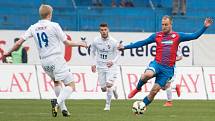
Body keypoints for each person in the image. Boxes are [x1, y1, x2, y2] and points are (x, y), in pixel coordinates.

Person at [3, 4, 87, 117]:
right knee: (71, 85)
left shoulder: (33, 27)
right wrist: (80, 43)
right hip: (56, 58)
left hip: (44, 61)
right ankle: (56, 103)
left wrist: (7, 52)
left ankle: (64, 109)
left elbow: (19, 43)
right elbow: (67, 42)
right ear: (50, 14)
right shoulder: (54, 25)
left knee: (57, 82)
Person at [118, 15, 212, 110]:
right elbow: (142, 43)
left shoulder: (177, 36)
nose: (164, 26)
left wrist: (205, 27)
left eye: (166, 24)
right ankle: (138, 88)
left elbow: (194, 36)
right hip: (157, 64)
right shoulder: (157, 35)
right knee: (147, 74)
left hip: (167, 70)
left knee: (154, 91)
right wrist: (125, 47)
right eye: (162, 24)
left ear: (171, 24)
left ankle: (141, 106)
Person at [91, 23, 120, 111]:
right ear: (99, 31)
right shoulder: (96, 41)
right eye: (102, 30)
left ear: (108, 30)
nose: (103, 32)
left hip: (111, 67)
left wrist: (113, 61)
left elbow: (119, 53)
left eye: (105, 30)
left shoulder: (113, 41)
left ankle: (107, 106)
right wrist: (93, 64)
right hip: (100, 66)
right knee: (103, 89)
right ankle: (114, 88)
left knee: (108, 85)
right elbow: (92, 52)